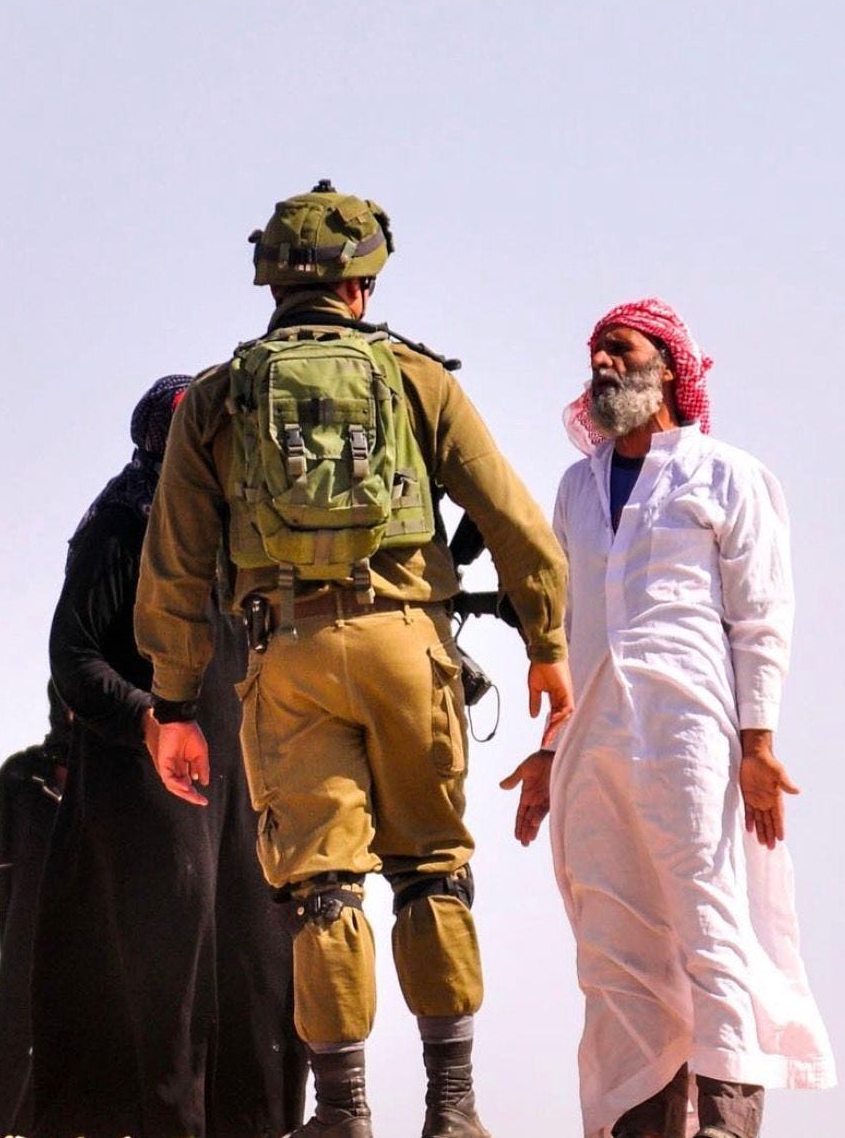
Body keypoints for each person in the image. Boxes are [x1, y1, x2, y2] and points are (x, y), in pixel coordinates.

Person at [134, 180, 573, 1138]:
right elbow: (517, 525)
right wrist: (547, 645)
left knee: (322, 883)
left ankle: (342, 1113)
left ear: (271, 281)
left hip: (288, 655)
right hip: (407, 646)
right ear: (362, 284)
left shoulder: (217, 398)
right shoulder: (418, 380)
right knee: (432, 869)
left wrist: (172, 705)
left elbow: (172, 567)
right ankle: (452, 1108)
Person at [502, 298, 836, 1138]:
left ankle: (724, 1122)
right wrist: (549, 750)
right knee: (612, 944)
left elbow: (760, 616)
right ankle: (638, 1122)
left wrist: (757, 743)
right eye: (594, 353)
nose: (602, 364)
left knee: (708, 921)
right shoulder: (575, 486)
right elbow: (568, 626)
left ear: (668, 368)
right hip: (593, 743)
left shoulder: (726, 475)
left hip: (689, 731)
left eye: (619, 349)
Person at [31, 377, 304, 1138]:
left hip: (244, 775)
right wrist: (146, 721)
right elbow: (73, 654)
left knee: (260, 955)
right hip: (142, 777)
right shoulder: (123, 522)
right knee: (165, 959)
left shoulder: (252, 527)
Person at [0, 682, 71, 1137]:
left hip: (105, 950)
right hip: (28, 947)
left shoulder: (126, 783)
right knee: (11, 1054)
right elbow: (5, 888)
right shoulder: (20, 778)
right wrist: (19, 953)